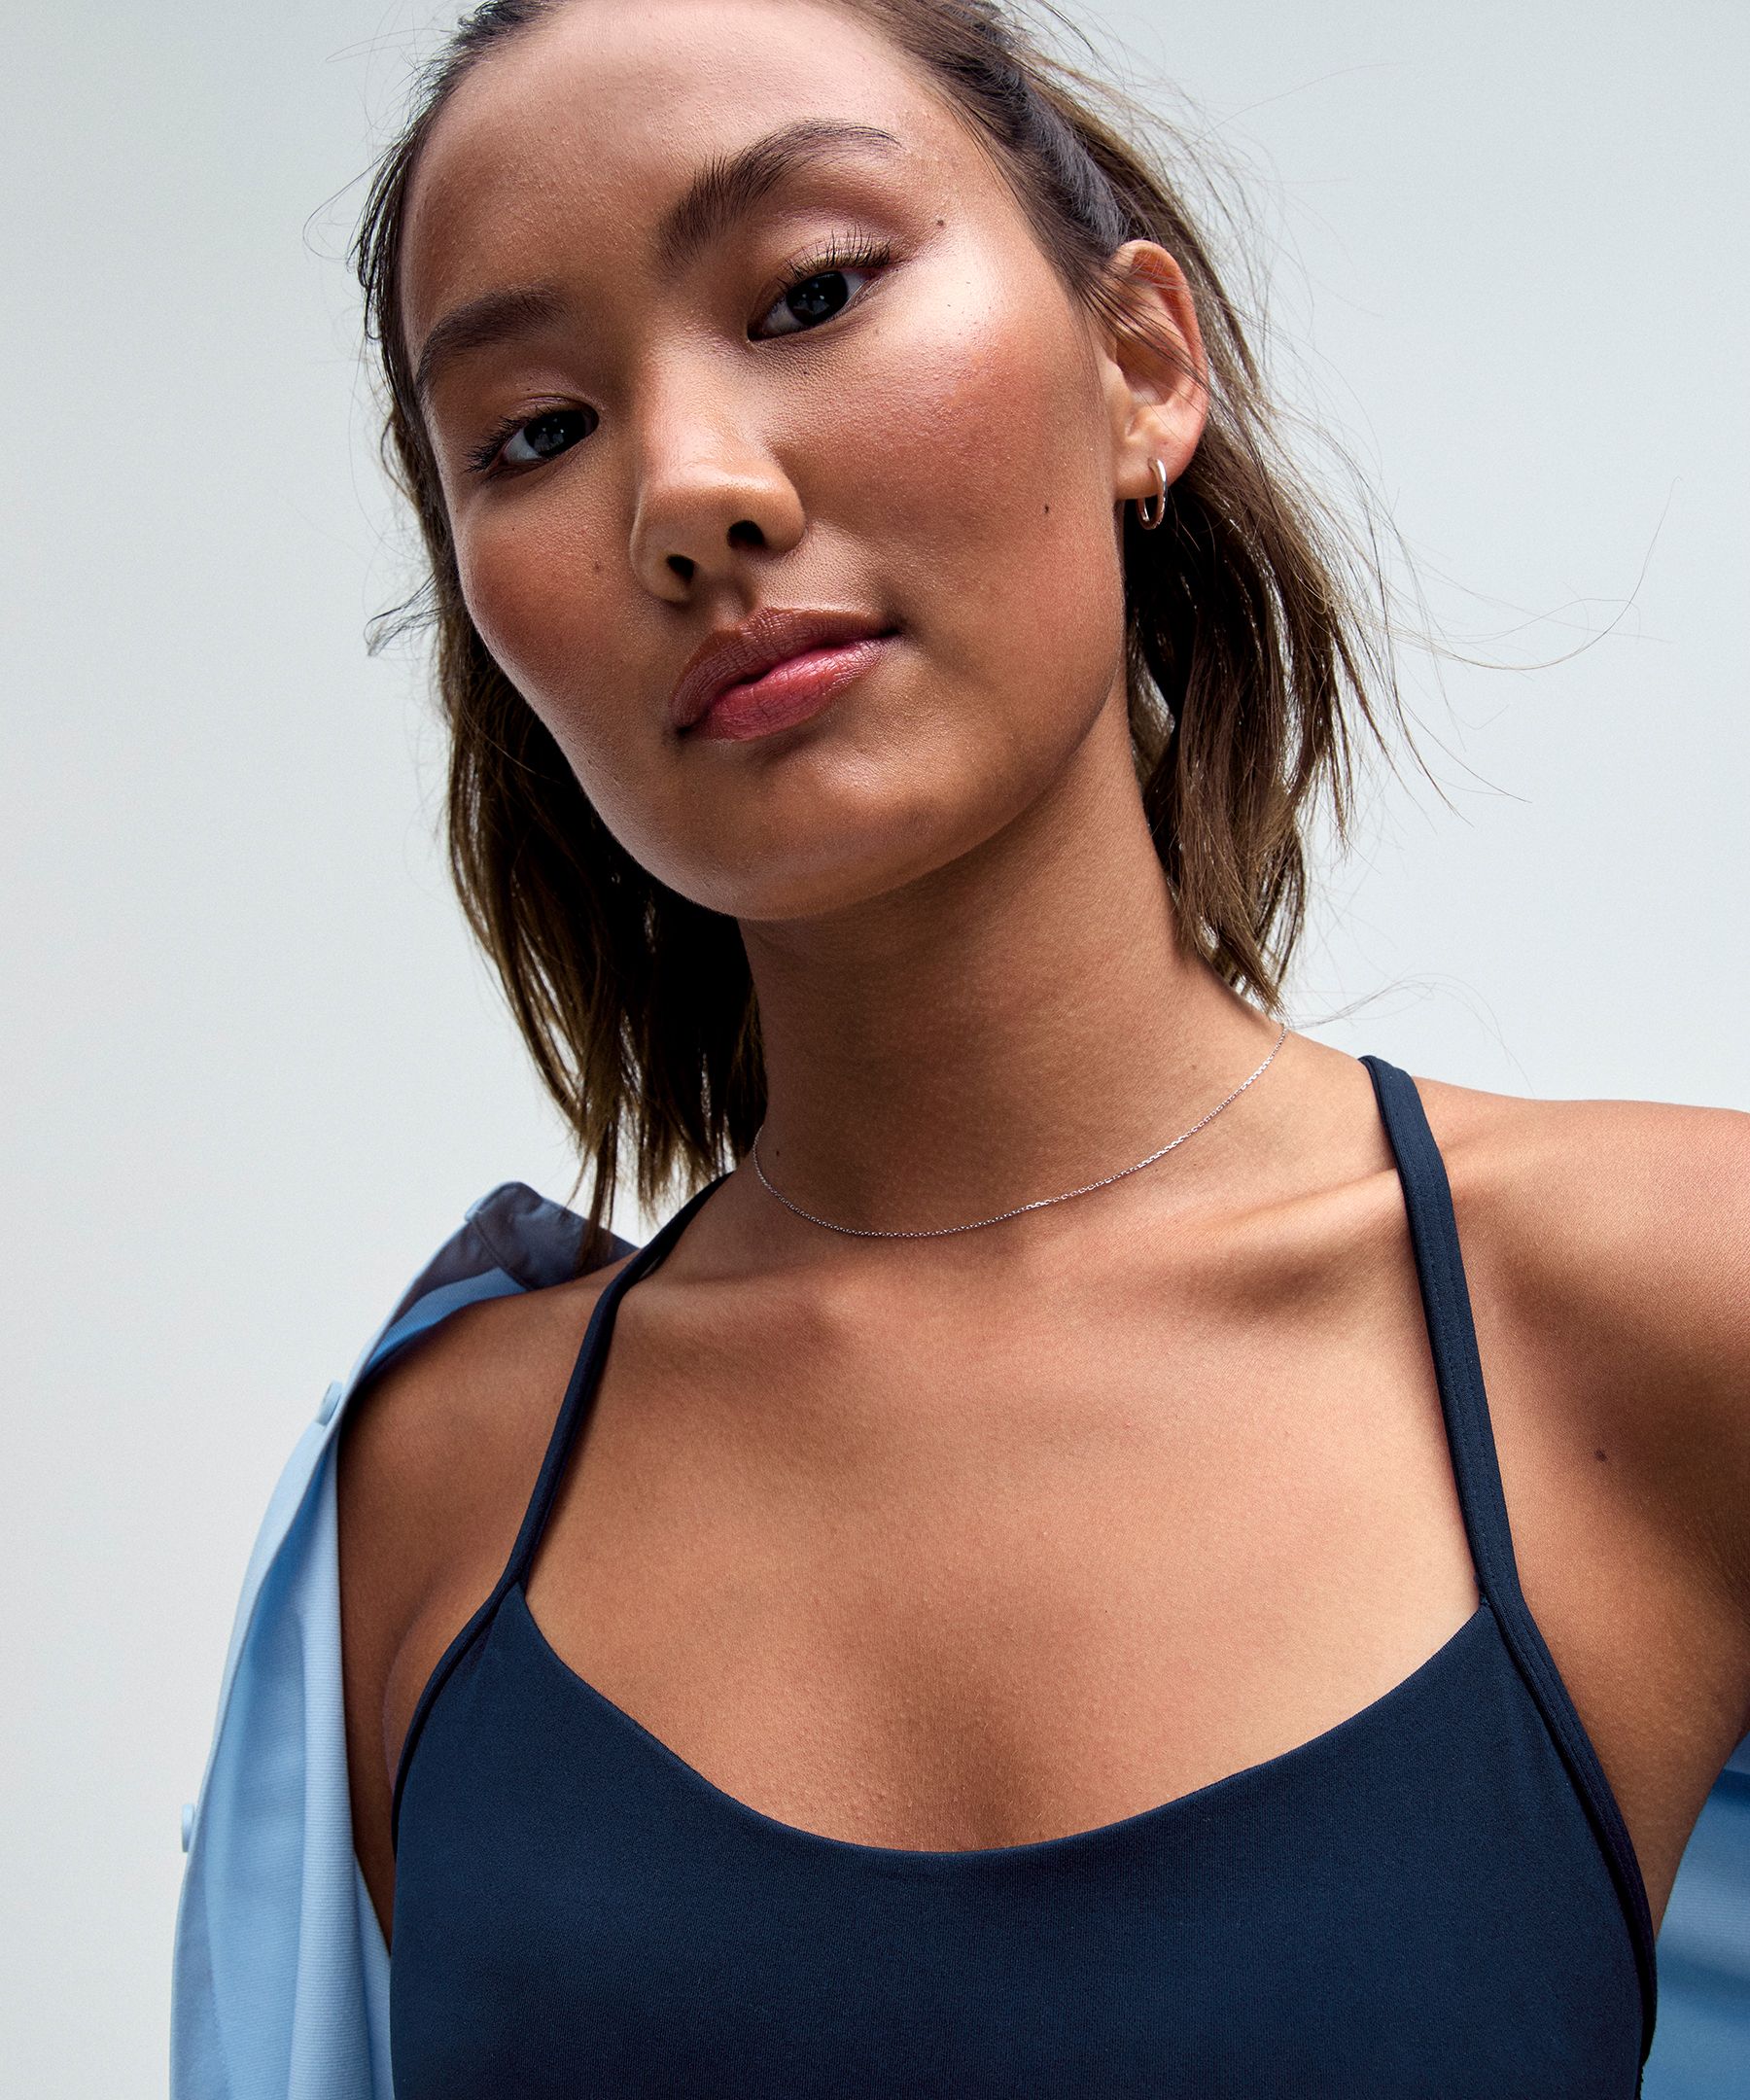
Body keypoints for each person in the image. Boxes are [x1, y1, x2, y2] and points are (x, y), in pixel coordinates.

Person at [170, 1, 1750, 2093]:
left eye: (813, 293)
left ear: (1142, 368)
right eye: (535, 431)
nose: (690, 494)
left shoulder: (1679, 1311)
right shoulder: (422, 1510)